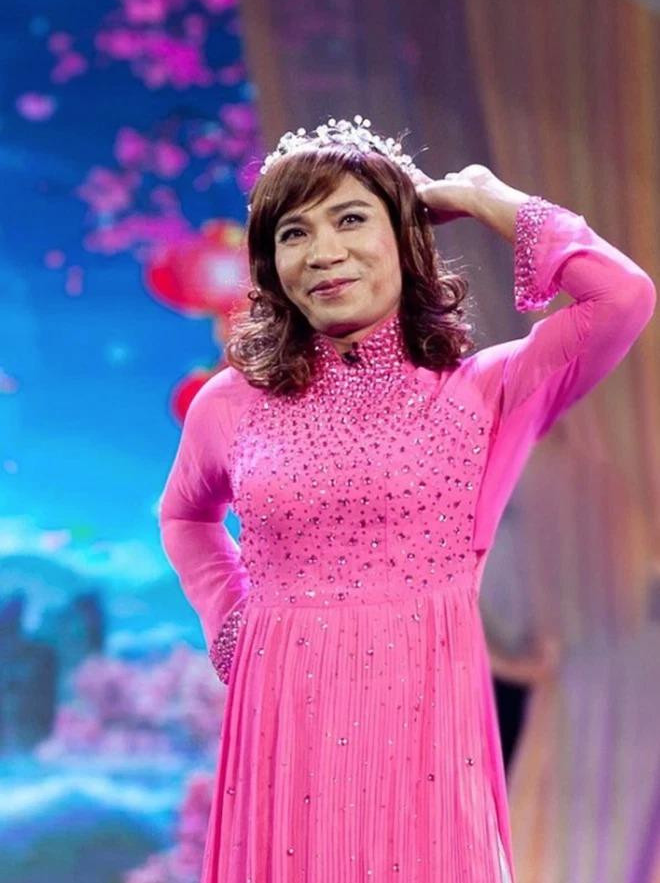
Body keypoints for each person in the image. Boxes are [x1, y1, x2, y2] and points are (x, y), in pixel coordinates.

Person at [158, 116, 656, 883]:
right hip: (282, 722)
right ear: (271, 264)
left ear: (405, 238)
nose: (324, 252)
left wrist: (487, 197)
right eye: (294, 233)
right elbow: (185, 515)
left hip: (422, 727)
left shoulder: (485, 389)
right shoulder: (230, 402)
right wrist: (232, 622)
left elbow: (622, 296)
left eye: (351, 219)